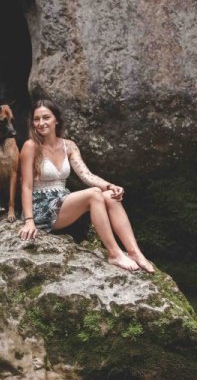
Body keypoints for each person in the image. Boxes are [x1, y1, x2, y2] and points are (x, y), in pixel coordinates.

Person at [18, 99, 155, 273]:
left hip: (62, 202)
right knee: (94, 195)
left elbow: (86, 175)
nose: (41, 123)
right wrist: (29, 221)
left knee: (109, 195)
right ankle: (114, 253)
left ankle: (134, 252)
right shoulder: (30, 147)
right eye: (36, 119)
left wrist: (110, 185)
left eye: (46, 117)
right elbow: (26, 186)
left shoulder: (69, 146)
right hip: (40, 209)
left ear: (56, 120)